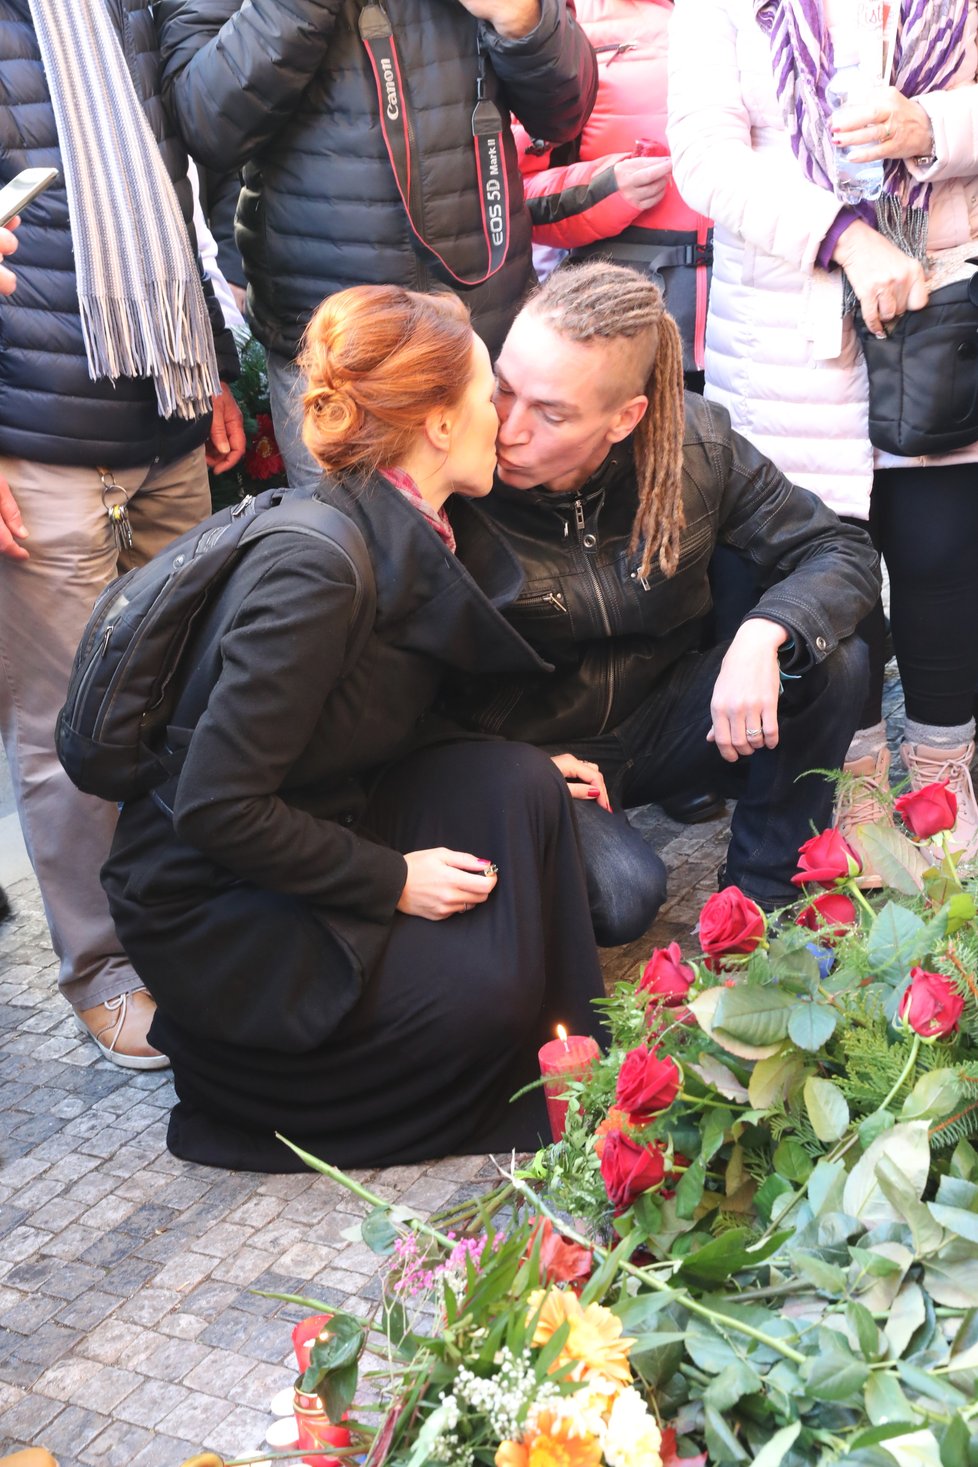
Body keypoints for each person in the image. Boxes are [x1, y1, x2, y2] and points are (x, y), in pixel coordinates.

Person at [101, 284, 607, 1173]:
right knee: (485, 1000)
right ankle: (257, 1085)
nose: (504, 416)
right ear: (441, 424)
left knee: (524, 785)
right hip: (218, 911)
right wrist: (392, 880)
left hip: (312, 814)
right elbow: (217, 809)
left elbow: (352, 724)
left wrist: (513, 757)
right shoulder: (320, 569)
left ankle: (577, 1060)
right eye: (490, 393)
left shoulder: (407, 522)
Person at [442, 261, 881, 934]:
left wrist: (765, 631)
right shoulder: (456, 466)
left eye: (552, 413)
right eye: (503, 388)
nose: (509, 427)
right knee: (622, 898)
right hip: (532, 751)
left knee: (827, 653)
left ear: (627, 417)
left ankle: (761, 903)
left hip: (663, 720)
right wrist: (504, 771)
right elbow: (386, 684)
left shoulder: (694, 444)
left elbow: (842, 550)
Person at [667, 0, 978, 871]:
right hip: (787, 330)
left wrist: (932, 127)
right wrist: (842, 235)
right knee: (819, 552)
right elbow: (705, 154)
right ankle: (859, 779)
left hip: (941, 303)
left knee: (940, 546)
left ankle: (945, 779)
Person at [0, 0, 245, 1070]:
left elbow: (168, 184)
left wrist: (211, 367)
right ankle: (104, 971)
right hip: (33, 429)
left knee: (186, 695)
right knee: (66, 731)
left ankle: (194, 929)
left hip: (163, 395)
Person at [154, 0, 599, 492]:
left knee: (509, 561)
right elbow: (207, 124)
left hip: (489, 328)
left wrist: (522, 19)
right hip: (337, 352)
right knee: (359, 554)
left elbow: (566, 113)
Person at [516, 0, 712, 392]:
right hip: (623, 319)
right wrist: (605, 187)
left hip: (764, 313)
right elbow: (514, 195)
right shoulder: (567, 24)